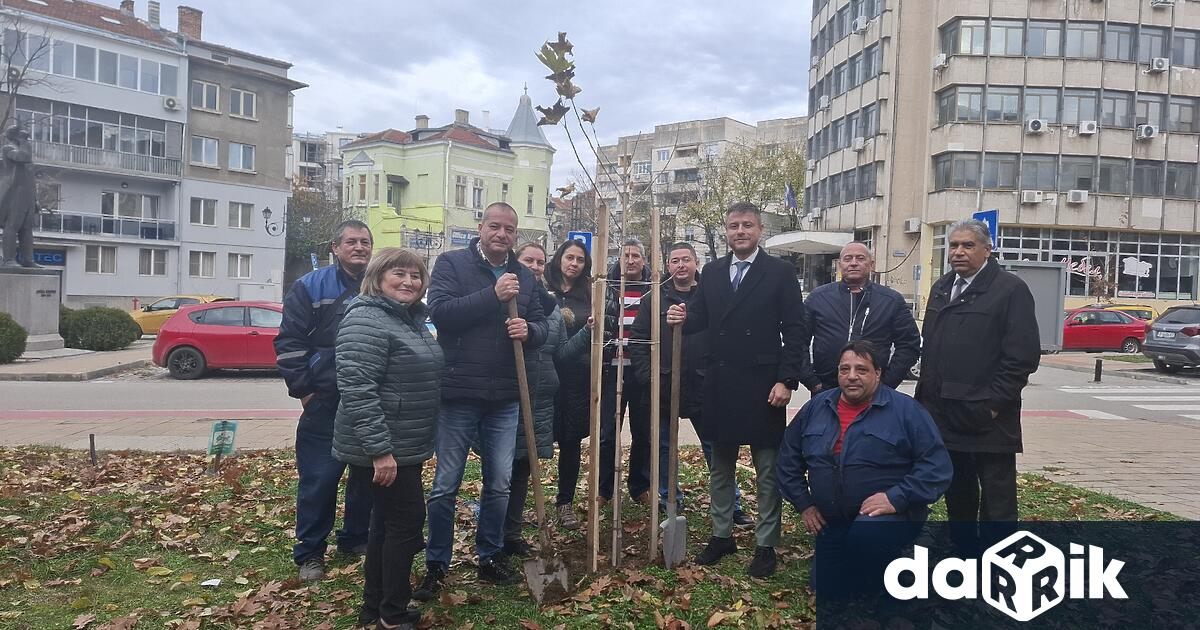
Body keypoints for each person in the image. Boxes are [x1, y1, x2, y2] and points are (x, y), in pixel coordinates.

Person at [666, 202, 809, 578]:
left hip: (764, 385)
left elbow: (795, 331)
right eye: (733, 226)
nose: (740, 231)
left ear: (760, 230)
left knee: (766, 469)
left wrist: (786, 380)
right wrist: (682, 315)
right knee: (720, 468)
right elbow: (701, 317)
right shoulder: (711, 272)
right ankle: (722, 535)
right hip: (720, 381)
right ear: (726, 232)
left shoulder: (779, 273)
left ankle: (766, 545)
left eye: (747, 225)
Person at [415, 202, 547, 599]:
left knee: (500, 483)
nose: (502, 234)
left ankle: (489, 556)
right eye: (495, 226)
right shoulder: (452, 265)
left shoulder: (524, 275)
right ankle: (436, 563)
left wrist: (531, 330)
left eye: (510, 229)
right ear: (481, 227)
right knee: (445, 483)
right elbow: (440, 313)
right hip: (458, 392)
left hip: (506, 395)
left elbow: (541, 324)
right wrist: (492, 295)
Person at [779, 340, 952, 597]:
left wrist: (897, 497)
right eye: (844, 369)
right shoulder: (817, 408)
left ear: (878, 373)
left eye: (861, 369)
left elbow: (937, 467)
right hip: (833, 520)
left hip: (886, 518)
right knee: (825, 588)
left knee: (868, 547)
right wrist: (804, 504)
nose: (851, 377)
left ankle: (892, 569)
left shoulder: (906, 411)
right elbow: (787, 459)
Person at [915, 219, 1040, 553]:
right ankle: (965, 552)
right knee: (959, 490)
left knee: (998, 498)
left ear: (987, 249)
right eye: (954, 245)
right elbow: (933, 349)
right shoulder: (943, 287)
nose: (958, 252)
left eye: (967, 245)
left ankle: (999, 560)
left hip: (989, 417)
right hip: (945, 413)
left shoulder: (1010, 290)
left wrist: (993, 404)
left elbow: (1021, 357)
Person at [332, 248, 442, 629]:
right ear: (378, 277)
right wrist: (381, 451)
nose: (409, 282)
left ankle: (374, 608)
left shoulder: (409, 319)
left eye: (416, 276)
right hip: (385, 445)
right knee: (406, 523)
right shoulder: (367, 320)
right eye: (399, 274)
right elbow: (358, 389)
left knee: (385, 524)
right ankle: (392, 616)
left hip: (403, 441)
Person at [275, 220, 375, 582]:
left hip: (367, 400)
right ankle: (311, 554)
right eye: (351, 241)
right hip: (325, 400)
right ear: (335, 247)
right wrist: (305, 391)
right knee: (319, 478)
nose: (359, 247)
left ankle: (355, 538)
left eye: (365, 242)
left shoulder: (380, 286)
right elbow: (289, 344)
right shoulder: (310, 286)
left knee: (366, 476)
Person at [629, 242, 751, 526]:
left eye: (686, 259)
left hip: (705, 386)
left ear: (696, 263)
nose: (681, 265)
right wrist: (649, 376)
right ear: (668, 265)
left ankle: (730, 504)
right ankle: (669, 499)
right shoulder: (654, 299)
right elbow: (638, 339)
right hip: (664, 384)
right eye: (675, 261)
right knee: (663, 447)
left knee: (715, 447)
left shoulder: (712, 297)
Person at [502, 242, 590, 556]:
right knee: (503, 468)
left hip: (541, 397)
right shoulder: (503, 299)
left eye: (539, 261)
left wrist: (586, 335)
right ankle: (497, 531)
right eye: (529, 260)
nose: (535, 267)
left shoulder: (550, 308)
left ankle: (511, 532)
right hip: (506, 396)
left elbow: (561, 354)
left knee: (524, 465)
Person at [800, 242, 921, 393]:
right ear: (840, 264)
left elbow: (909, 345)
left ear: (871, 264)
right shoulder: (818, 298)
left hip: (874, 394)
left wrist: (886, 384)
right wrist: (812, 382)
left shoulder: (891, 301)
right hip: (825, 390)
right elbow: (798, 341)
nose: (854, 263)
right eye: (848, 259)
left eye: (860, 258)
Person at [599, 238, 654, 505]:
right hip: (613, 370)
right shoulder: (606, 287)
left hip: (642, 372)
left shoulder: (653, 289)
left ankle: (639, 486)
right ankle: (604, 489)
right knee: (608, 434)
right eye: (626, 256)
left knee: (643, 432)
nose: (630, 260)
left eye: (635, 256)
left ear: (644, 260)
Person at [545, 239, 593, 530]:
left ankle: (565, 502)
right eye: (569, 257)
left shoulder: (589, 293)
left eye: (580, 259)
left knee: (571, 441)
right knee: (530, 440)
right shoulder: (541, 287)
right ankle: (519, 498)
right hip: (542, 375)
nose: (574, 263)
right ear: (559, 258)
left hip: (575, 378)